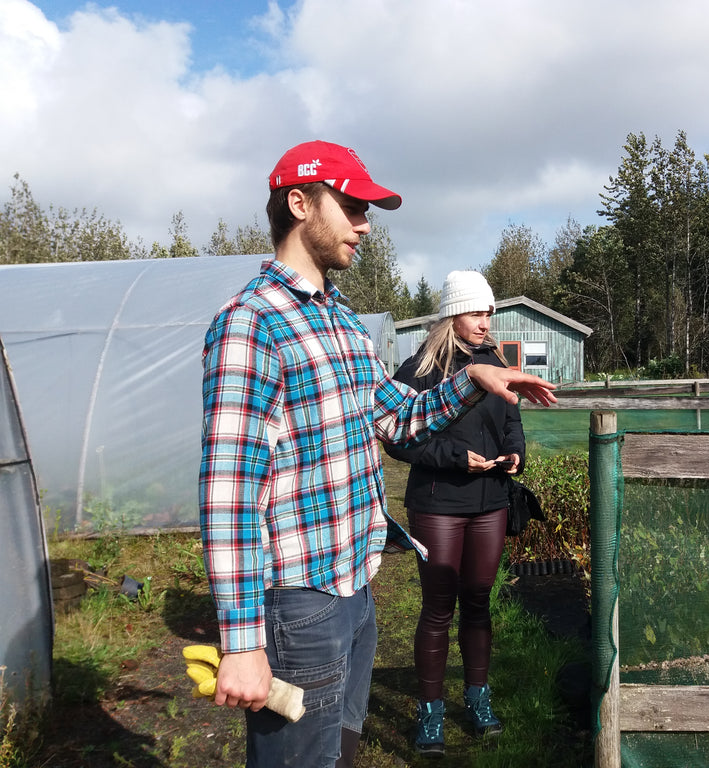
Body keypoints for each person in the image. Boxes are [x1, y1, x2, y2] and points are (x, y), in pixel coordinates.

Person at [198, 140, 557, 768]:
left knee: (340, 749)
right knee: (300, 759)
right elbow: (230, 491)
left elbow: (395, 417)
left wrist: (472, 382)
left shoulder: (341, 322)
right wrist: (242, 642)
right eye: (355, 206)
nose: (366, 225)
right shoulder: (250, 324)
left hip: (356, 584)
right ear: (300, 202)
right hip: (299, 597)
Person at [383, 270, 521, 757]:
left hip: (490, 504)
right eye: (476, 313)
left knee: (480, 602)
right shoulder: (420, 368)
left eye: (489, 313)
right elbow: (395, 438)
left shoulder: (494, 360)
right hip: (439, 505)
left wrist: (514, 451)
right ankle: (431, 710)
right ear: (451, 315)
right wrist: (452, 458)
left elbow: (511, 419)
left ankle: (478, 698)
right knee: (438, 611)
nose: (485, 323)